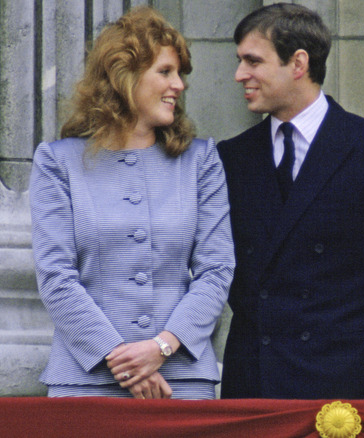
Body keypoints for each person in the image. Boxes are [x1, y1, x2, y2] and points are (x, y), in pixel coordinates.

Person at [216, 3, 364, 399]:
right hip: (256, 384)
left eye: (253, 61)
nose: (239, 75)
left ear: (298, 63)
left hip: (349, 382)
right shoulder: (232, 157)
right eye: (240, 61)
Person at [29, 6, 234, 399]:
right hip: (86, 381)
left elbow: (217, 270)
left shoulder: (200, 161)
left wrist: (161, 347)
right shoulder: (58, 162)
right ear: (124, 75)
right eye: (165, 71)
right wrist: (123, 361)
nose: (179, 85)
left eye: (180, 74)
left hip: (182, 381)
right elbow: (56, 276)